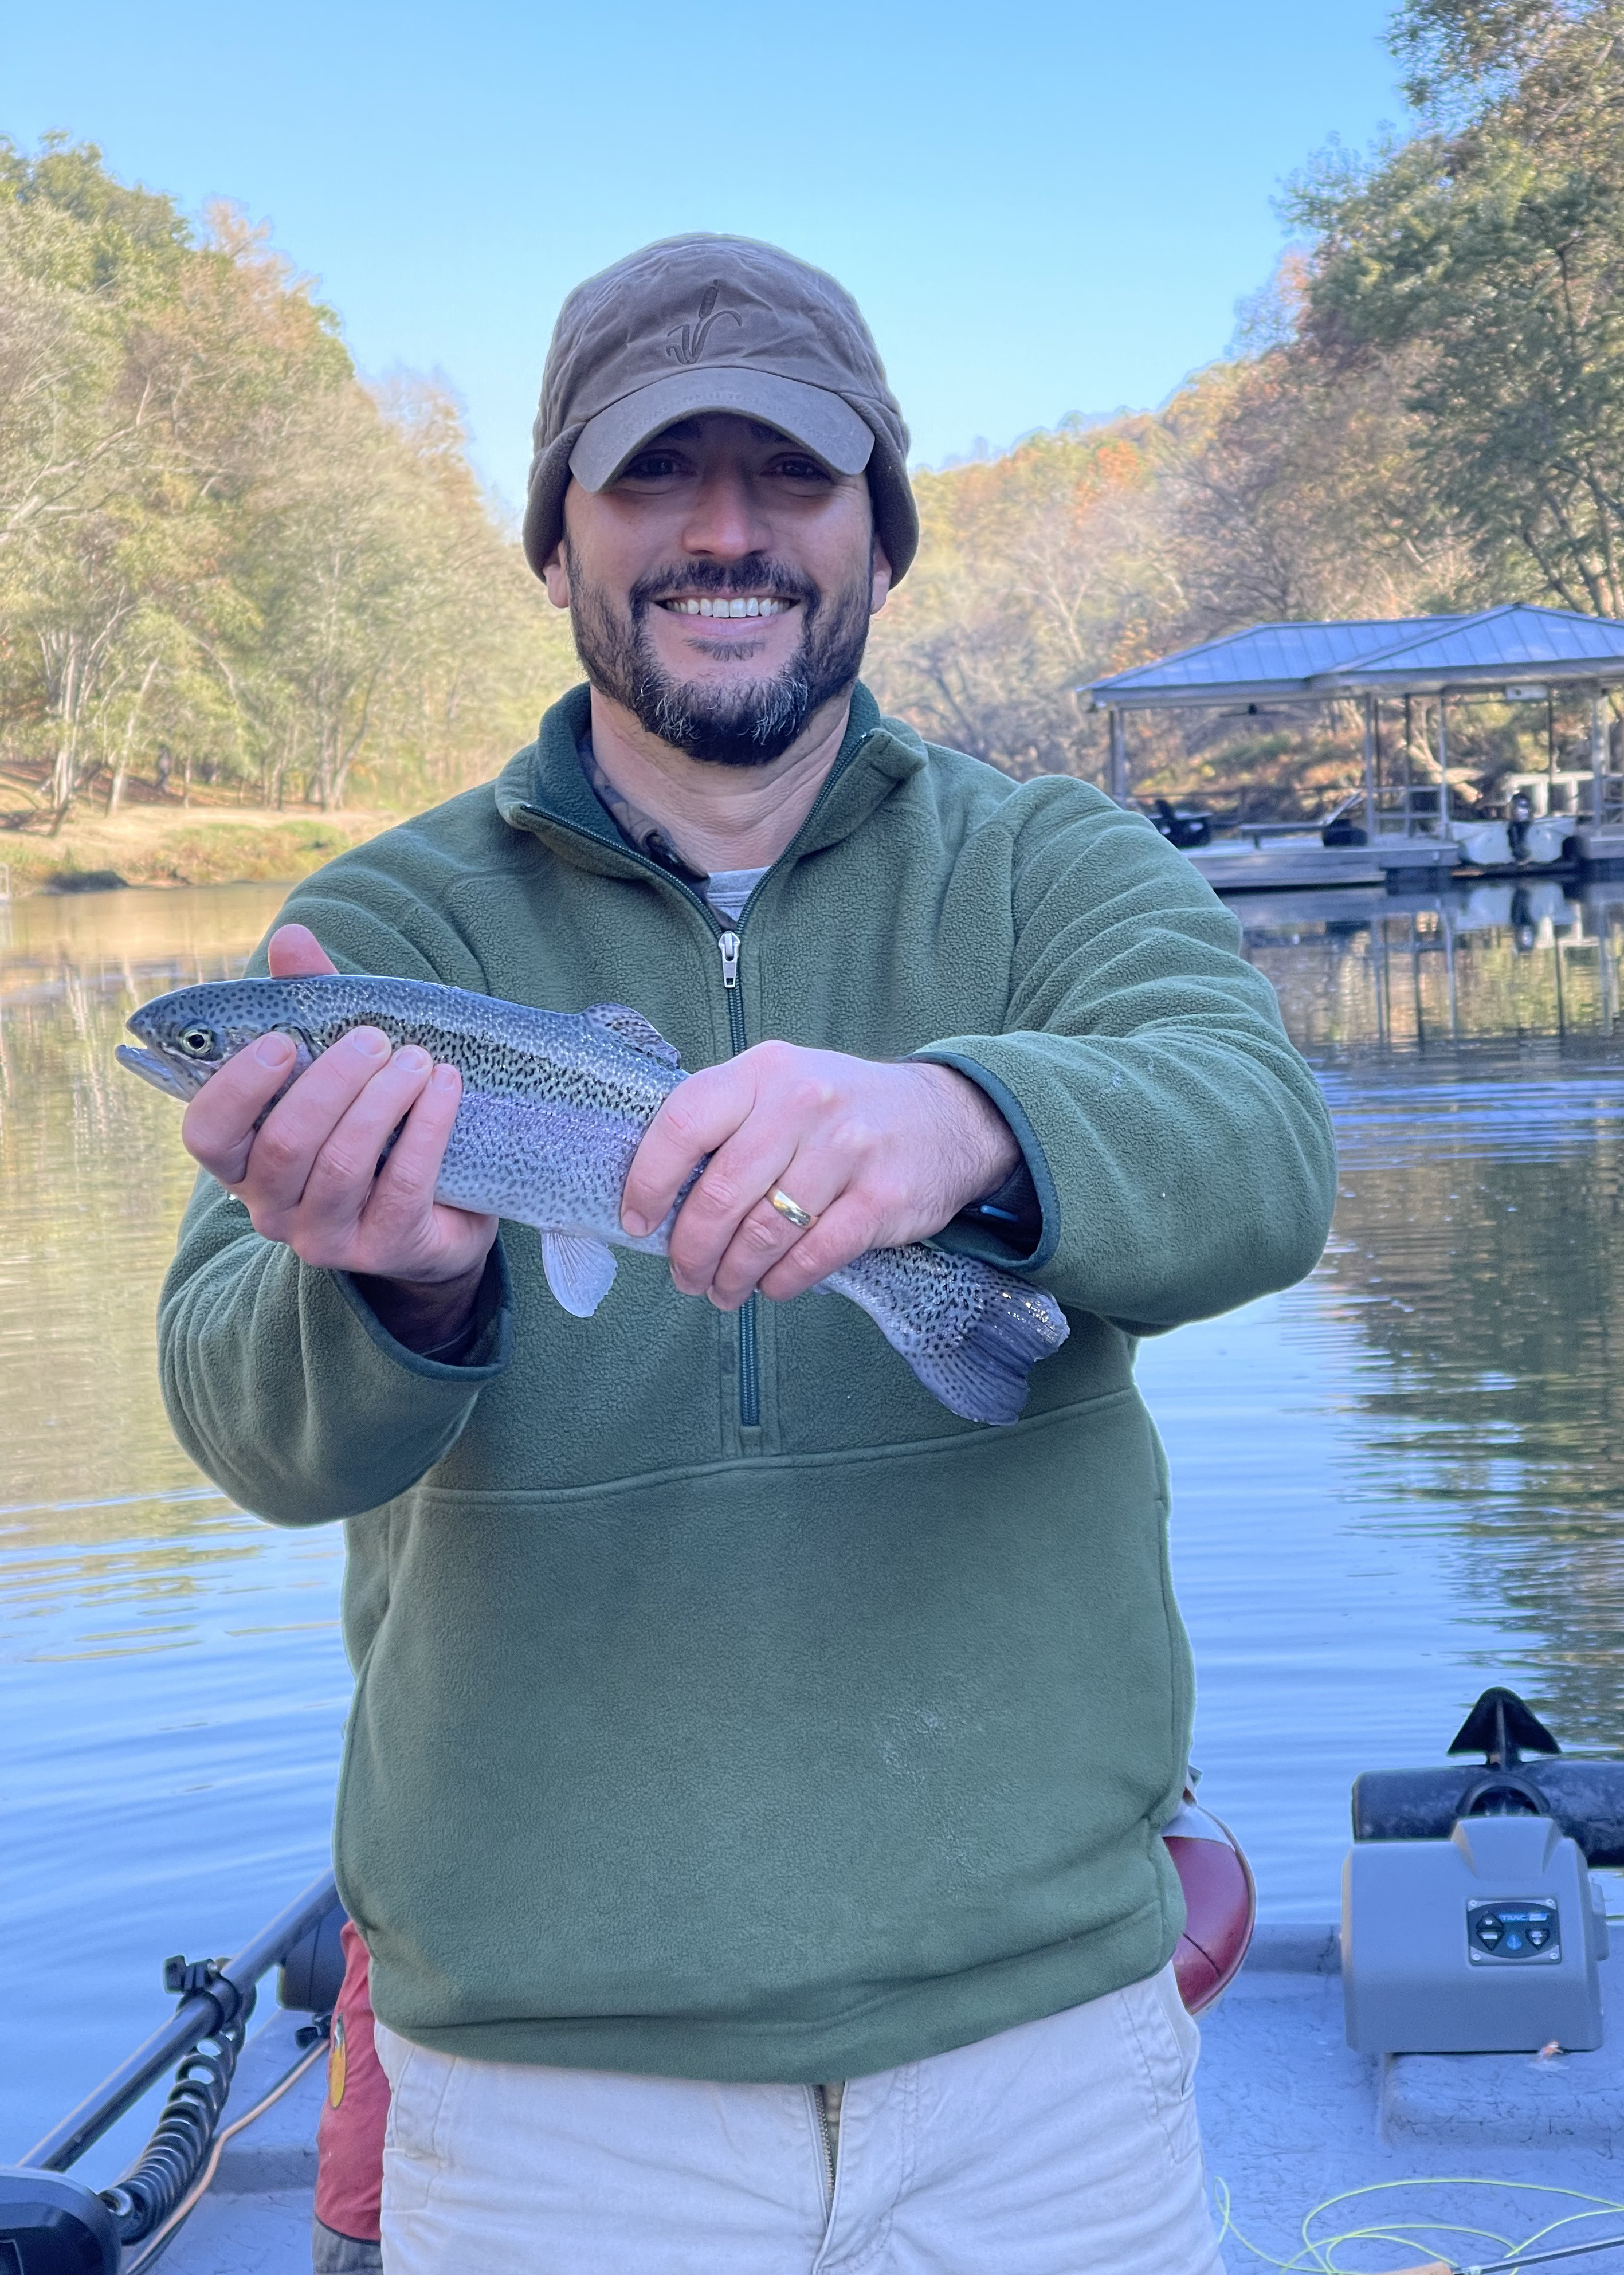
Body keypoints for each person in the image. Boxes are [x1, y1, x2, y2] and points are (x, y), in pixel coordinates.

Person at [159, 234, 1336, 2274]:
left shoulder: (1057, 863)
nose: (726, 533)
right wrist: (403, 1287)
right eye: (653, 478)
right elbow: (240, 1417)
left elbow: (1262, 1147)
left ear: (879, 532)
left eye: (788, 477)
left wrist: (973, 1118)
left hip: (1044, 2050)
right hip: (542, 2093)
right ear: (557, 541)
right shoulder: (380, 933)